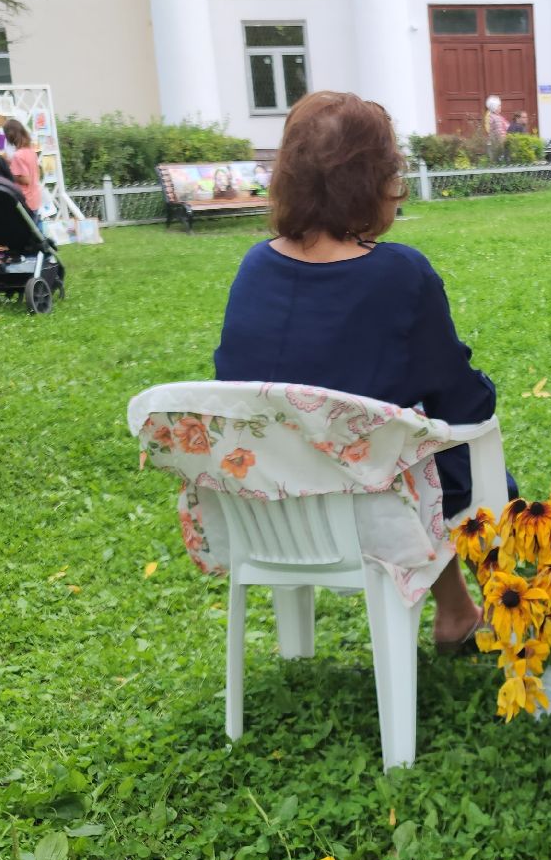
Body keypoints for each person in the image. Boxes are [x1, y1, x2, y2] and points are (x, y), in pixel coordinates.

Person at [214, 91, 506, 650]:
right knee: (461, 462)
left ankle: (455, 612)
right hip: (368, 510)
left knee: (399, 448)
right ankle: (498, 611)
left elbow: (235, 381)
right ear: (373, 181)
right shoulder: (400, 274)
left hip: (268, 502)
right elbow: (466, 405)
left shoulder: (254, 266)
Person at [3, 119, 43, 221]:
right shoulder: (31, 152)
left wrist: (9, 174)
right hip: (35, 199)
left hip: (25, 201)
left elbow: (26, 179)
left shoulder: (17, 155)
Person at [484, 95, 508, 161]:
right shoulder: (495, 118)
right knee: (497, 161)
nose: (500, 107)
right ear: (494, 107)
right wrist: (503, 140)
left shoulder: (496, 116)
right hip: (497, 144)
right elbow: (499, 131)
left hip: (494, 143)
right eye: (499, 106)